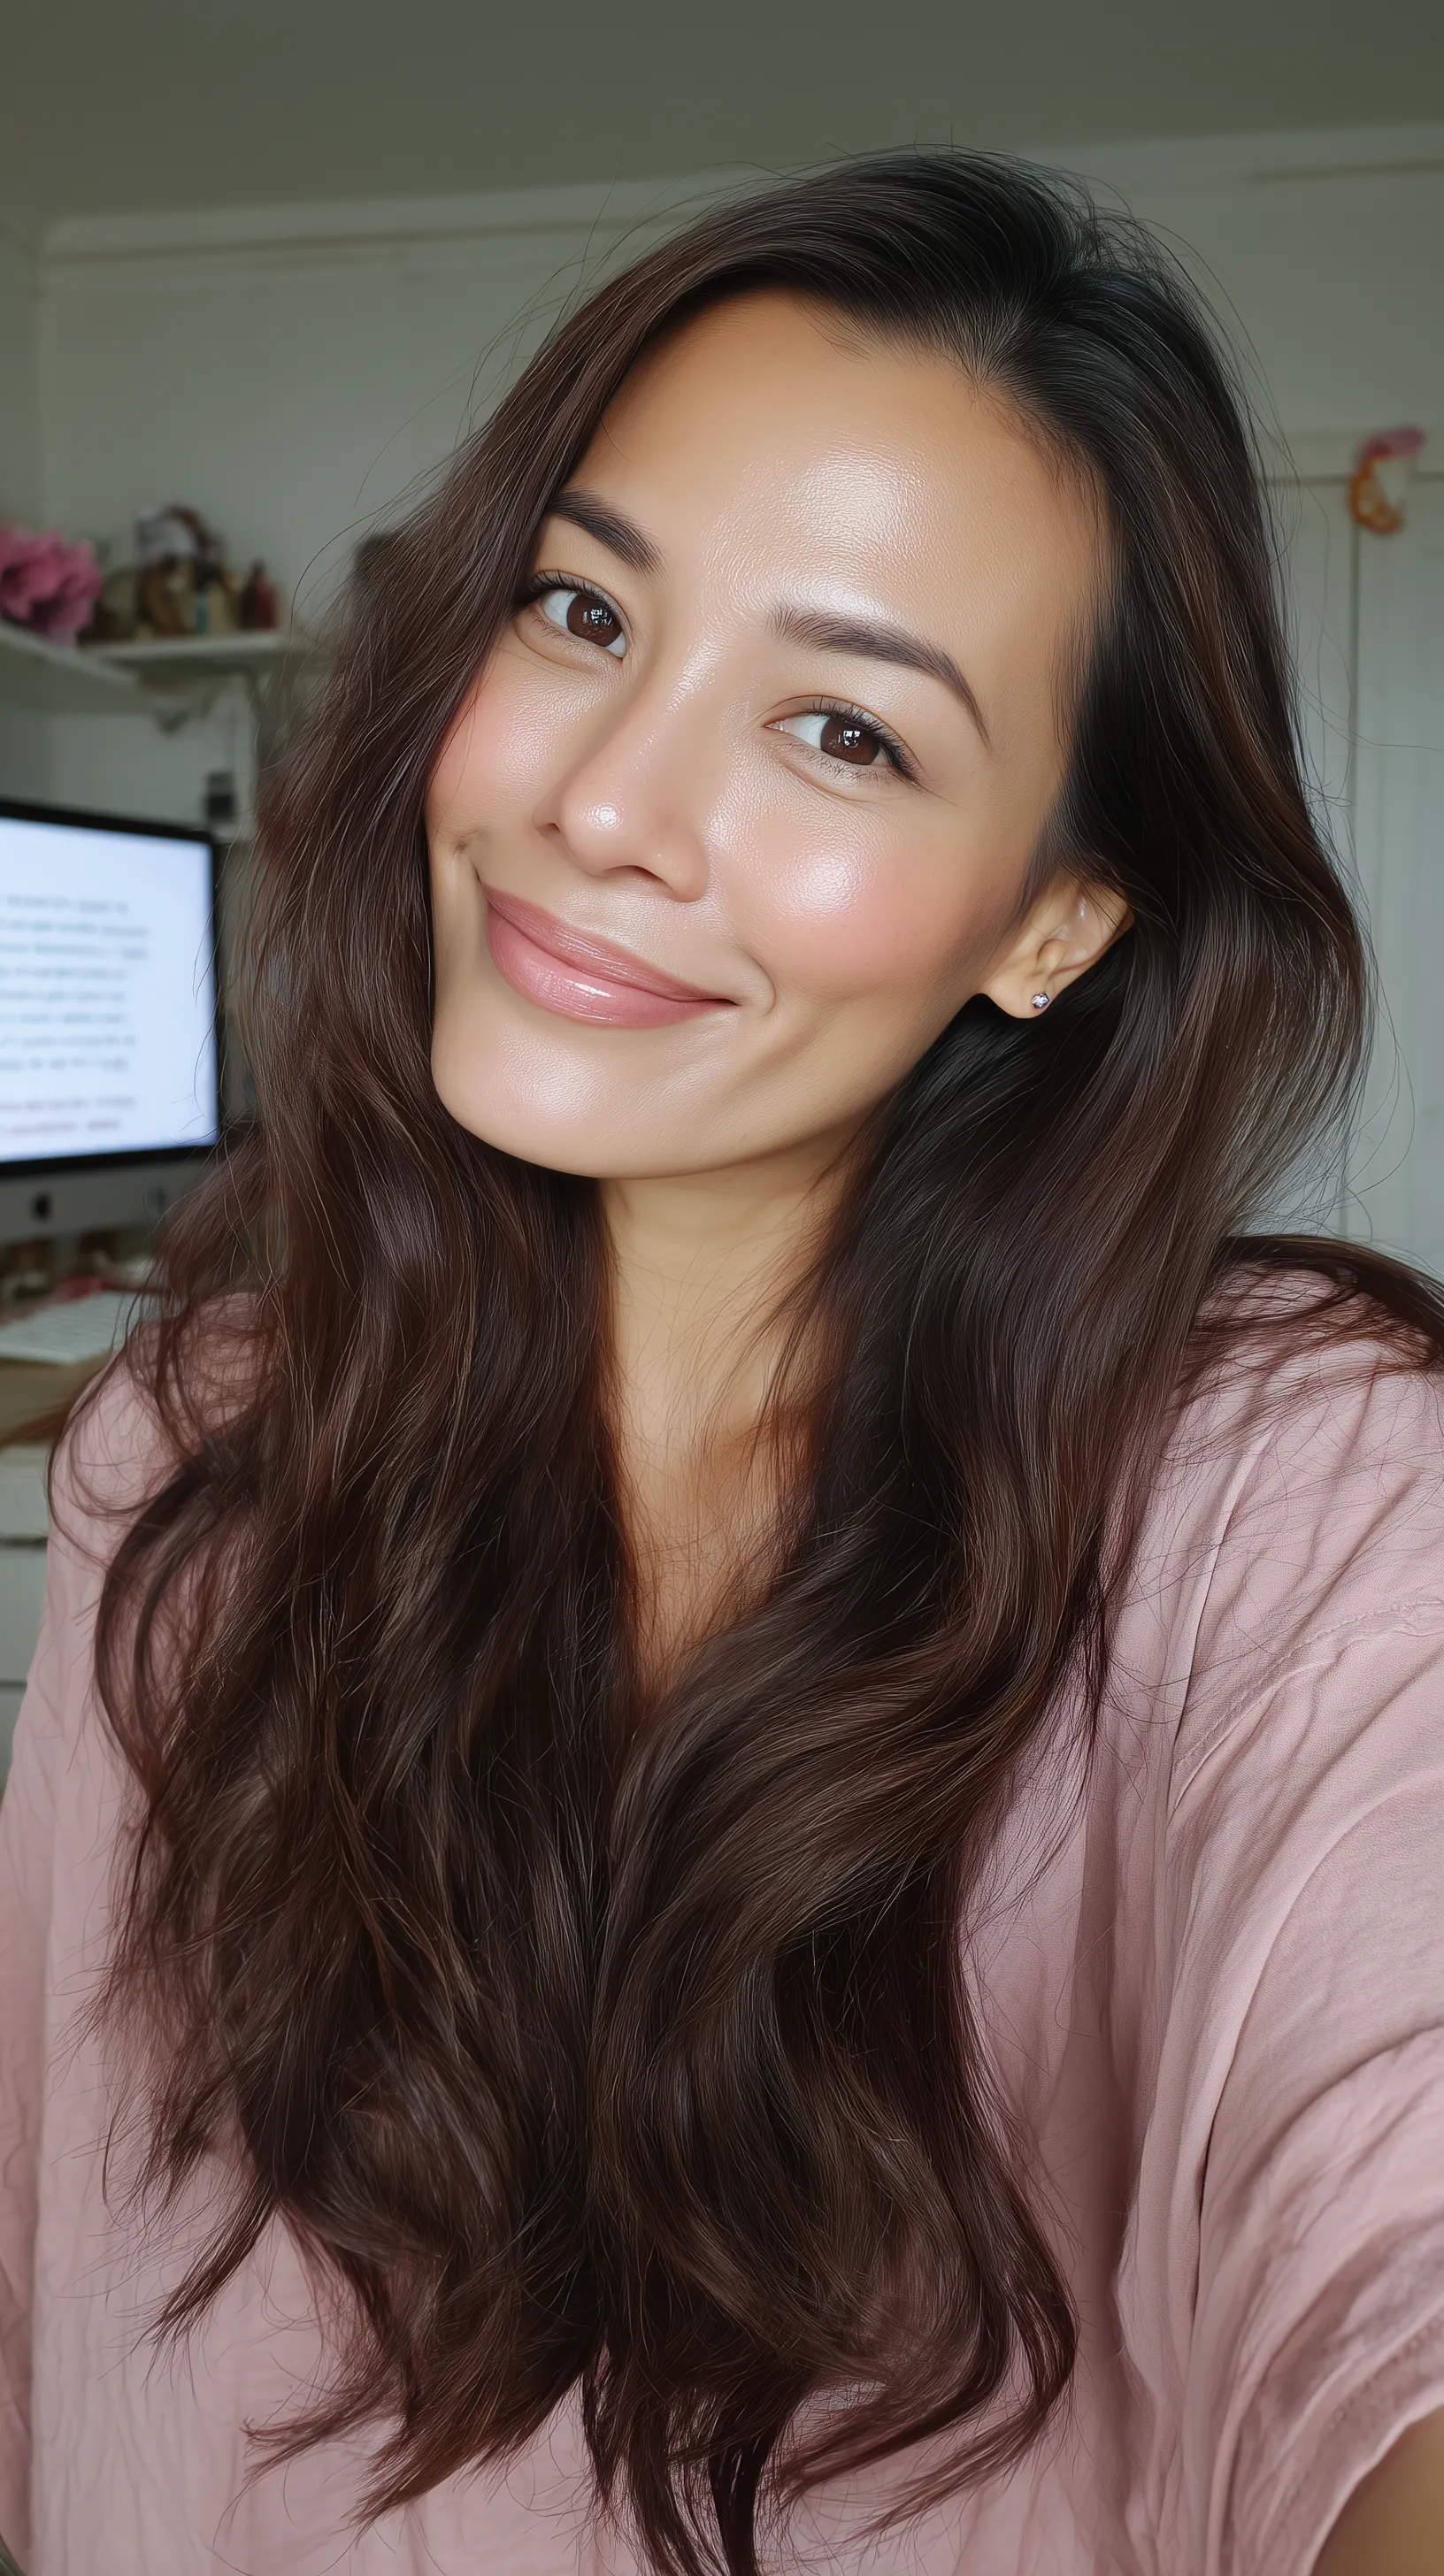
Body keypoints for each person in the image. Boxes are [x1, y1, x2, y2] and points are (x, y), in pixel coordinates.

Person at [1, 151, 1442, 2576]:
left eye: (847, 738)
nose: (599, 806)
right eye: (583, 611)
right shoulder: (198, 1439)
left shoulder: (1289, 1495)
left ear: (1056, 919)